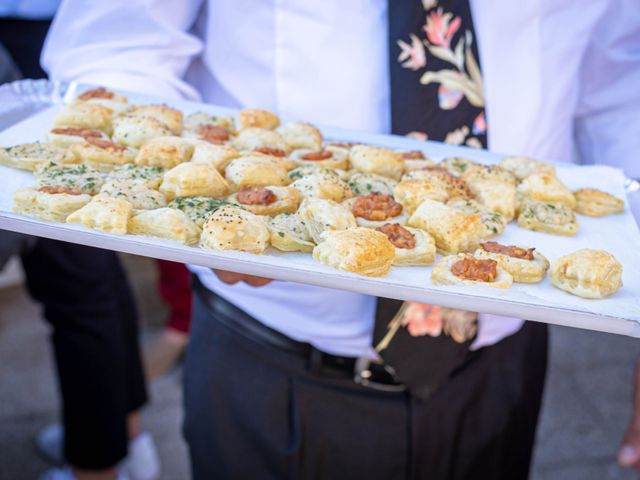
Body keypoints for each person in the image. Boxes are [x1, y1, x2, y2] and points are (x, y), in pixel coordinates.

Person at [42, 0, 640, 478]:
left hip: (504, 354)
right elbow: (115, 48)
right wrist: (205, 205)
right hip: (275, 361)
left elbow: (620, 86)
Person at [0, 5, 159, 480]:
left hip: (54, 41)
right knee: (86, 272)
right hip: (44, 38)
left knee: (77, 272)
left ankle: (98, 461)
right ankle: (117, 438)